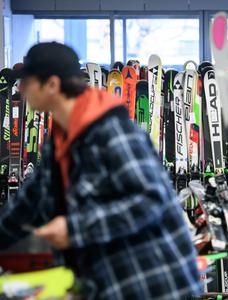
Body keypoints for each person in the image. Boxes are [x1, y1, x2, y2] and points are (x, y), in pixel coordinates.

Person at [0, 42, 201, 299]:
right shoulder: (60, 140)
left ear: (51, 85)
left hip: (153, 283)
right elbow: (28, 202)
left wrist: (75, 229)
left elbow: (149, 199)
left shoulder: (110, 130)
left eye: (27, 82)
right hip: (107, 281)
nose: (21, 89)